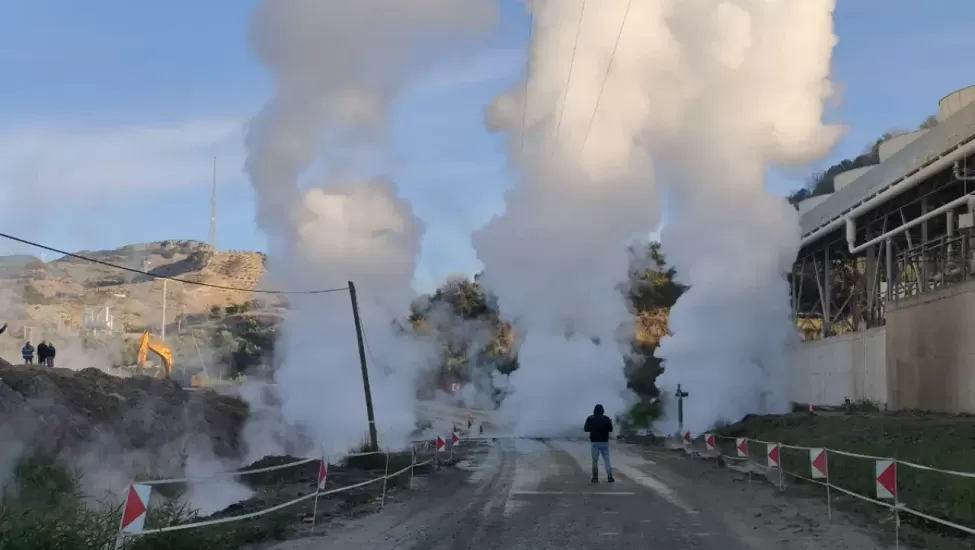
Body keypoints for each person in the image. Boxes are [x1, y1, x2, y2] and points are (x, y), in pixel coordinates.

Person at [584, 403, 615, 483]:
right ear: (602, 411)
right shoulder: (607, 419)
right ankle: (610, 477)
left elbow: (586, 429)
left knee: (595, 461)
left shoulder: (590, 418)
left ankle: (595, 477)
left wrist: (593, 429)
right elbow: (610, 429)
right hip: (604, 442)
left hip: (594, 442)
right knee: (607, 460)